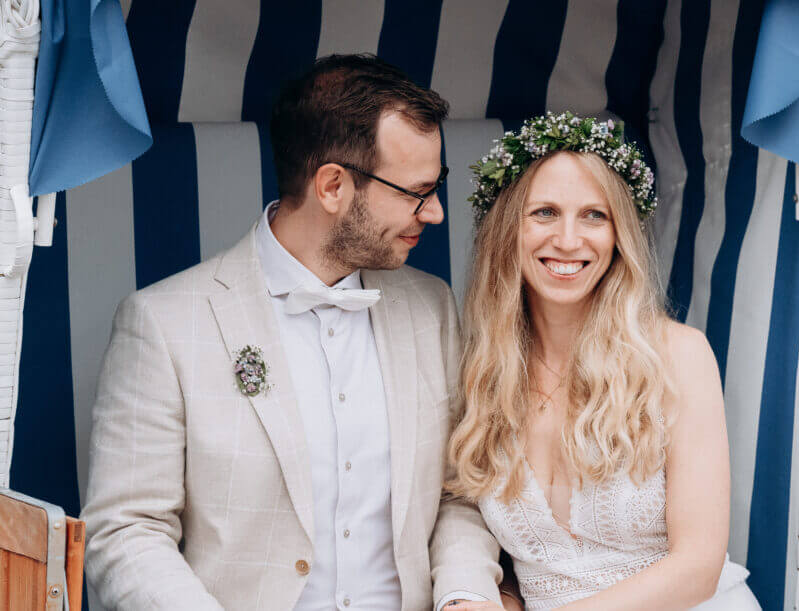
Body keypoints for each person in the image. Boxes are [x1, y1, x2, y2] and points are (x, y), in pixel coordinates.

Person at [81, 54, 503, 610]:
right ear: (332, 186)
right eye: (415, 191)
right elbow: (126, 531)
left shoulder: (432, 308)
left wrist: (465, 594)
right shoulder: (164, 324)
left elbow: (460, 492)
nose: (435, 214)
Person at [444, 113, 761, 610]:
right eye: (545, 212)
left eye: (594, 215)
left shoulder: (678, 355)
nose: (569, 240)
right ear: (509, 229)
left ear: (619, 236)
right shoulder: (482, 370)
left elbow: (698, 566)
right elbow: (467, 520)